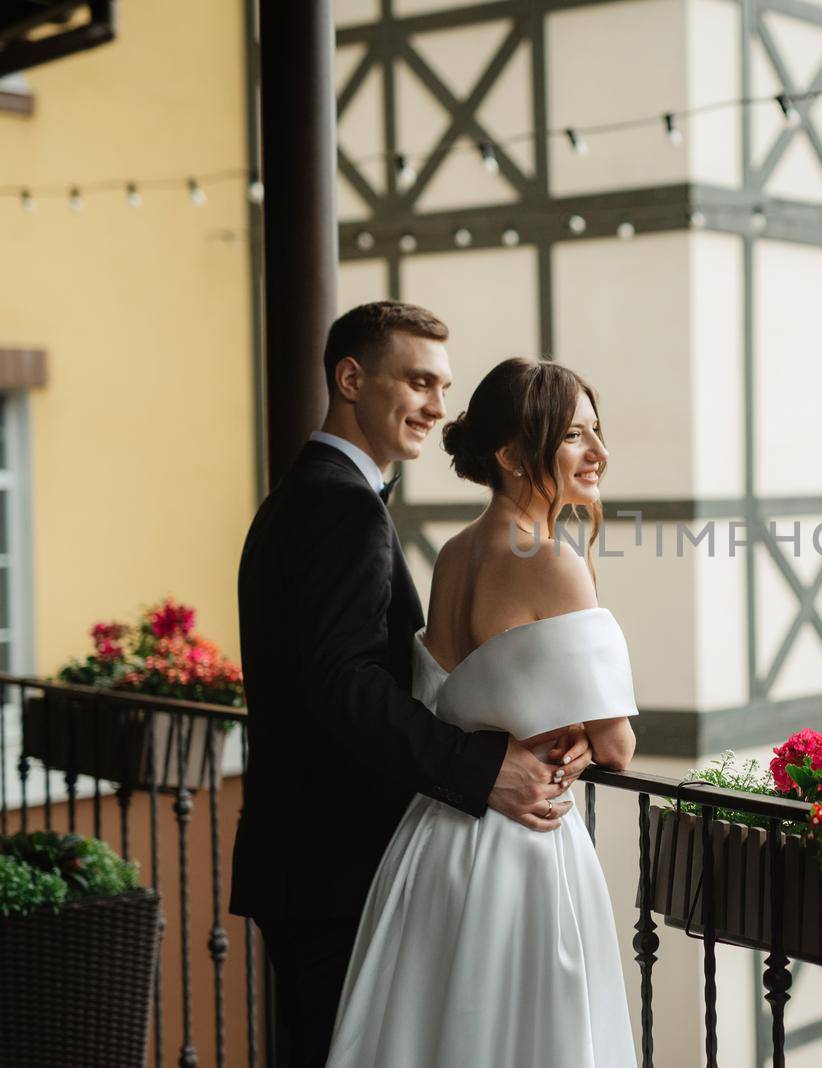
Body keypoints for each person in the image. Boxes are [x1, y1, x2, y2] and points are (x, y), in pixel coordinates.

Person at [229, 304, 590, 1068]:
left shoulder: (303, 493)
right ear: (351, 378)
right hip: (336, 865)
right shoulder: (339, 506)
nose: (435, 404)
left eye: (443, 386)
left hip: (306, 859)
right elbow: (341, 684)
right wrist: (482, 770)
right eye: (417, 381)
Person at [325, 356, 639, 1068]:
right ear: (511, 455)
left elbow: (466, 694)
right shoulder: (554, 562)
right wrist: (587, 730)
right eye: (574, 436)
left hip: (432, 842)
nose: (599, 453)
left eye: (597, 432)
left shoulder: (457, 554)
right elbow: (618, 746)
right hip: (518, 846)